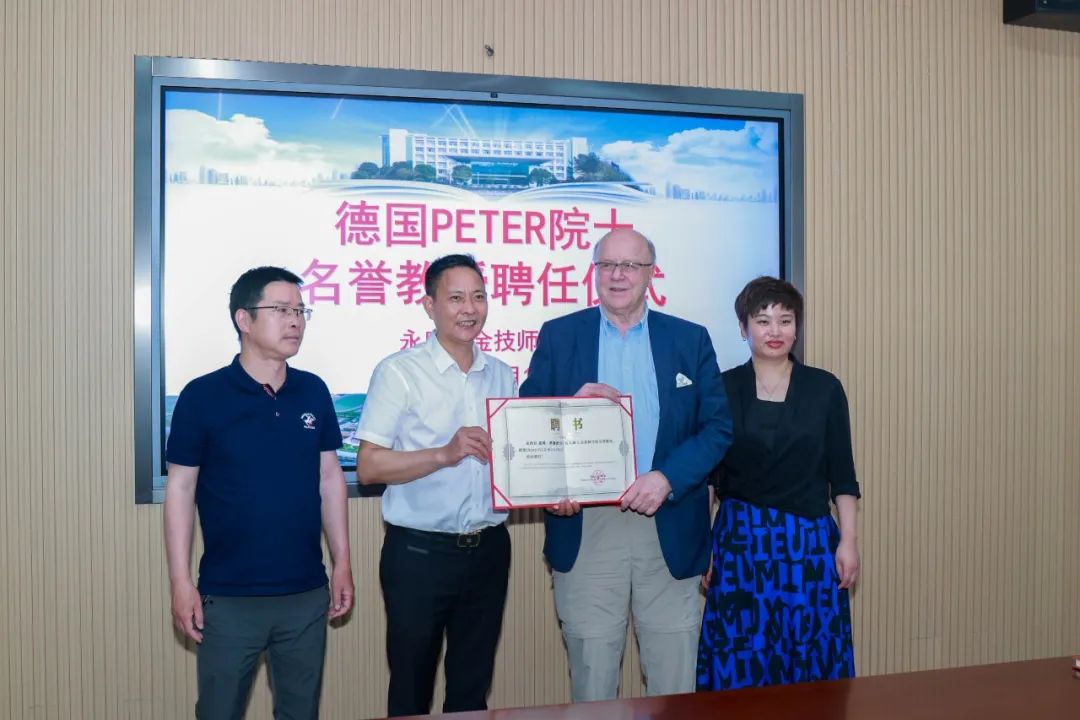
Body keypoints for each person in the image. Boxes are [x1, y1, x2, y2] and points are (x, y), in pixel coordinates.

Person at [519, 228, 733, 701]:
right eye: (607, 265)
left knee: (674, 676)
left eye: (631, 265)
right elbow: (528, 421)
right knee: (593, 674)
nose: (618, 275)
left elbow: (718, 428)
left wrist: (667, 477)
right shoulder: (560, 335)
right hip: (587, 526)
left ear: (651, 274)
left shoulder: (689, 339)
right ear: (594, 272)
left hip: (670, 521)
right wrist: (568, 408)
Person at [163, 266, 354, 719]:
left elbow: (330, 478)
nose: (295, 321)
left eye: (300, 311)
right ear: (243, 319)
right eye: (281, 310)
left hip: (305, 593)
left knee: (300, 712)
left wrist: (342, 562)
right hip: (229, 597)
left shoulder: (313, 390)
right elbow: (181, 488)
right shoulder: (202, 396)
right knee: (219, 711)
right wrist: (180, 581)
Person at [354, 254, 516, 717]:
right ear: (430, 306)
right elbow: (368, 467)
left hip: (488, 549)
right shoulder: (399, 372)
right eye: (456, 298)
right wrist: (444, 454)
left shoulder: (502, 373)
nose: (470, 309)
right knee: (411, 688)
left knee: (472, 688)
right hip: (419, 554)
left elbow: (514, 458)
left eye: (479, 297)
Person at [696, 276, 860, 690]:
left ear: (796, 327)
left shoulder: (824, 388)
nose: (775, 331)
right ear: (743, 328)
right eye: (763, 320)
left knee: (809, 654)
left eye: (785, 320)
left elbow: (842, 474)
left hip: (808, 543)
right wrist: (703, 546)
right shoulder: (722, 387)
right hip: (740, 543)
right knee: (740, 653)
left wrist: (848, 541)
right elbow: (709, 476)